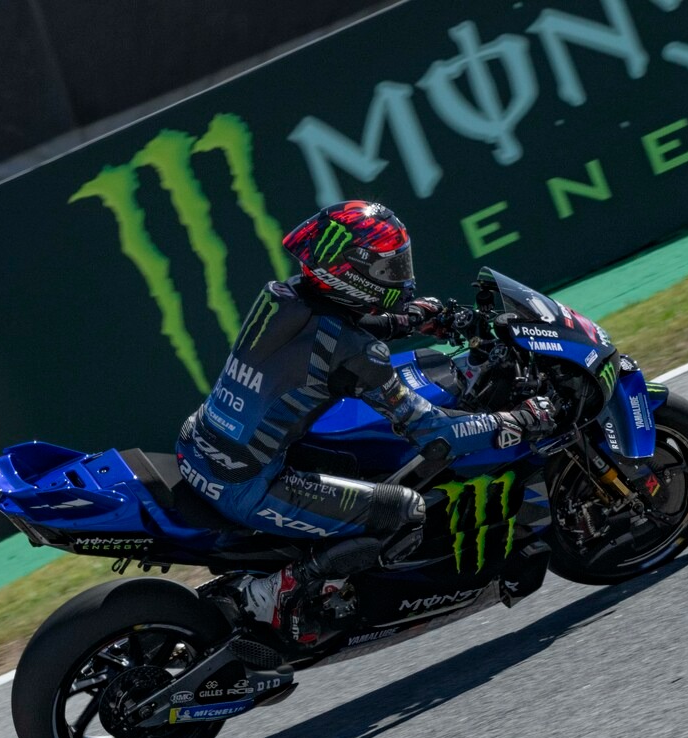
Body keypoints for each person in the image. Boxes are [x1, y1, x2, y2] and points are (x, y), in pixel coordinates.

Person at [176, 200, 556, 642]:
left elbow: (329, 331)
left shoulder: (280, 296)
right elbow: (436, 434)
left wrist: (410, 318)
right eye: (388, 269)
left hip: (198, 445)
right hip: (245, 486)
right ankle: (271, 593)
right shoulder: (360, 355)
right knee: (405, 511)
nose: (401, 277)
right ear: (351, 273)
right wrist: (520, 419)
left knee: (352, 461)